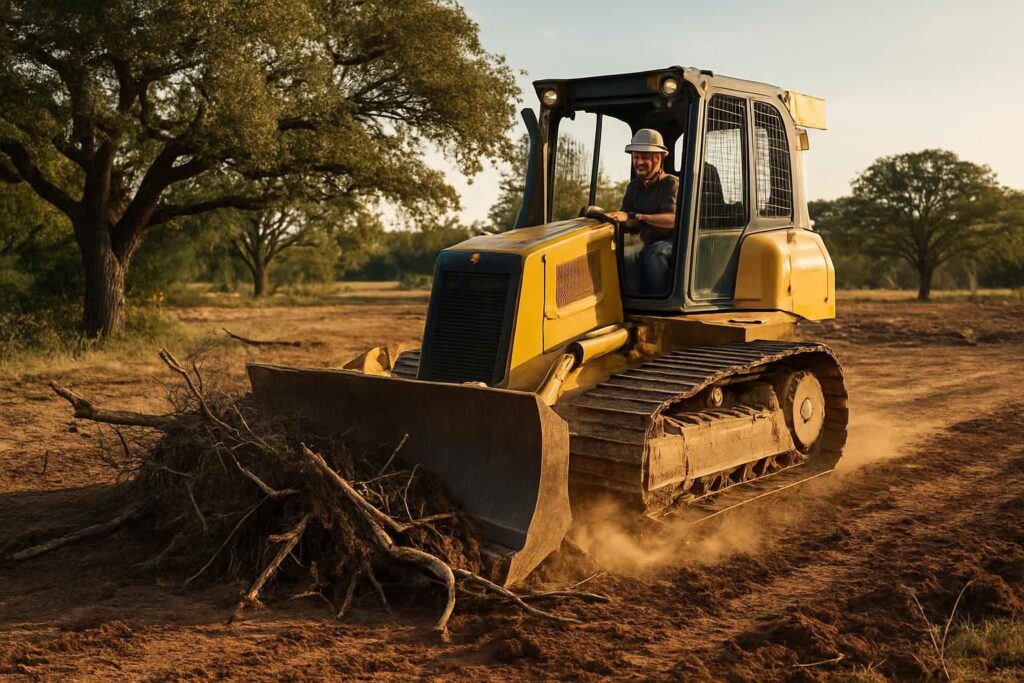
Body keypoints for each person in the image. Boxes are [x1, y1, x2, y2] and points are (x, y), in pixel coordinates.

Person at [607, 129, 679, 295]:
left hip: (672, 242)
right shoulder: (633, 187)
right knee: (622, 254)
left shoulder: (671, 184)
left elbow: (672, 220)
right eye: (636, 157)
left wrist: (641, 217)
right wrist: (615, 217)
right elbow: (626, 215)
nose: (639, 162)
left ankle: (657, 303)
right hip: (644, 240)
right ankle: (629, 303)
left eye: (644, 157)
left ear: (658, 158)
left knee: (653, 253)